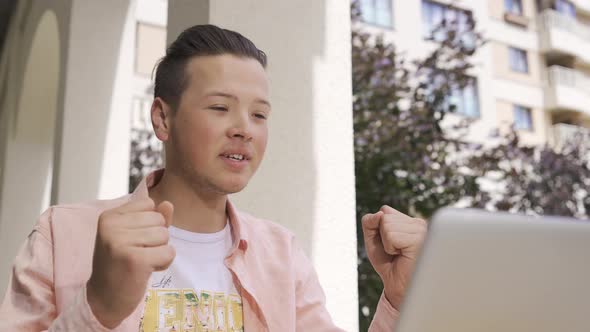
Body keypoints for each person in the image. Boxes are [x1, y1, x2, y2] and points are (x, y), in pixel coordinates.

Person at [0, 24, 427, 332]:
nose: (244, 127)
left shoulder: (281, 253)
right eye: (220, 107)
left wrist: (396, 301)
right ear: (162, 117)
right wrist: (98, 309)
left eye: (259, 114)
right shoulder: (65, 233)